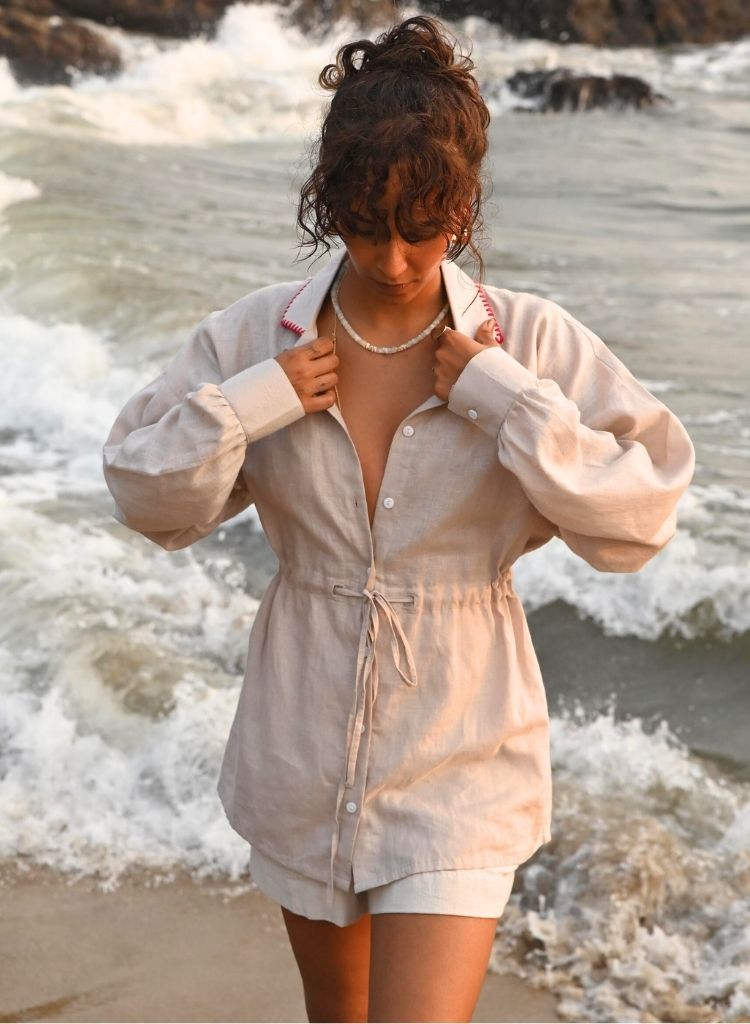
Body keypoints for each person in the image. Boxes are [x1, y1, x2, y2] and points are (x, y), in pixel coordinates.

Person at [101, 14, 697, 1024]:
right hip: (300, 743)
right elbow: (142, 488)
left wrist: (508, 400)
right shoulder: (256, 336)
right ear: (328, 202)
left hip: (464, 745)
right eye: (366, 224)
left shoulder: (530, 341)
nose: (392, 258)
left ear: (463, 205)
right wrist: (253, 402)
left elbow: (642, 512)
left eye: (422, 227)